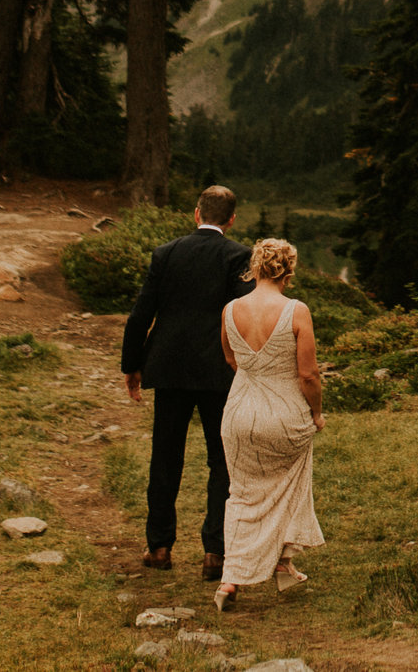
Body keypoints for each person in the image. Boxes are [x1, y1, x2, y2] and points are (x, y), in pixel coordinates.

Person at [121, 185, 255, 575]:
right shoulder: (238, 256)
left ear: (196, 214)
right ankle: (215, 550)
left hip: (170, 368)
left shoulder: (166, 253)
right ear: (231, 219)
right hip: (220, 370)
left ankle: (159, 547)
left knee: (165, 456)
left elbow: (140, 312)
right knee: (222, 459)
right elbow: (243, 314)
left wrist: (132, 364)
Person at [213, 236, 325, 611]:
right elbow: (308, 374)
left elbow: (232, 359)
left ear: (255, 267)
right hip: (283, 414)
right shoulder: (296, 310)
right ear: (287, 270)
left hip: (240, 412)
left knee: (242, 494)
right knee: (292, 480)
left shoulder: (230, 310)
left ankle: (230, 580)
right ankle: (282, 560)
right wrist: (317, 413)